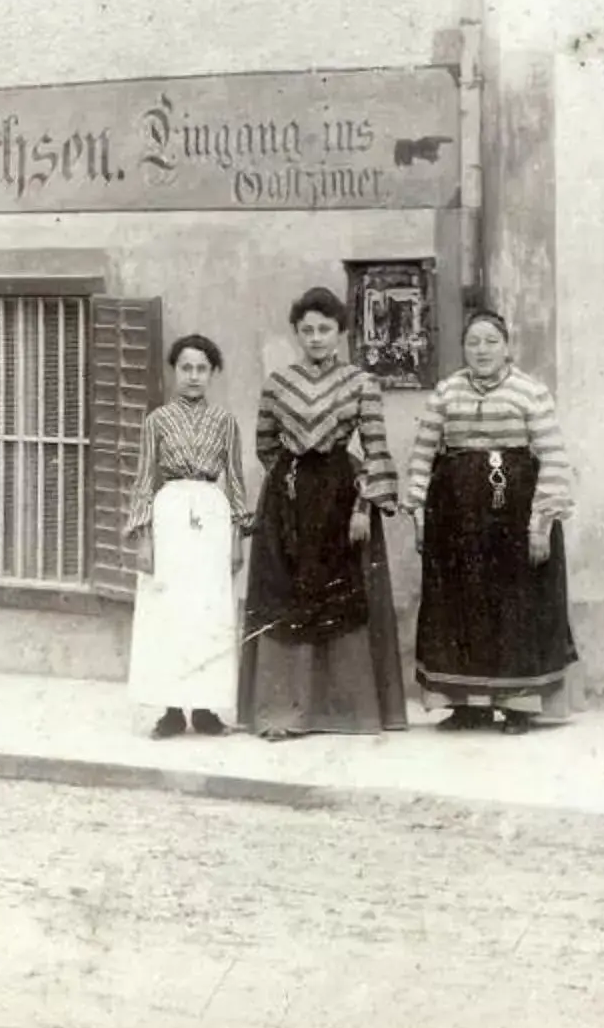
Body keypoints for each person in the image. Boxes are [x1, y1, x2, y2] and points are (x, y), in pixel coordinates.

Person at [237, 286, 408, 737]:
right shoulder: (278, 384)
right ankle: (284, 711)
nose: (316, 338)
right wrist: (290, 485)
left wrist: (360, 506)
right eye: (307, 330)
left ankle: (345, 712)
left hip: (340, 497)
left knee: (340, 596)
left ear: (340, 332)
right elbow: (266, 445)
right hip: (289, 502)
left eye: (325, 329)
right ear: (296, 333)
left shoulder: (361, 383)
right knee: (287, 594)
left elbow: (374, 449)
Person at [405, 305, 576, 730]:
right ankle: (467, 704)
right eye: (473, 343)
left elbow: (554, 457)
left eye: (491, 342)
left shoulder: (530, 392)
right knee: (459, 606)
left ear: (507, 347)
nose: (481, 351)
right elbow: (423, 453)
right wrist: (418, 516)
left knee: (516, 604)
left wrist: (541, 523)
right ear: (463, 348)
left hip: (514, 518)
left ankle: (518, 706)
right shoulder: (446, 392)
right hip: (455, 519)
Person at [124, 331, 250, 739]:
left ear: (213, 373)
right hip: (171, 514)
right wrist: (144, 539)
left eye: (202, 369)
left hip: (212, 516)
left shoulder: (226, 422)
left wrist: (235, 539)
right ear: (175, 371)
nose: (194, 376)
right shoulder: (156, 421)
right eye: (186, 368)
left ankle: (208, 710)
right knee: (170, 612)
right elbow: (145, 480)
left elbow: (234, 481)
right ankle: (172, 710)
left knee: (209, 612)